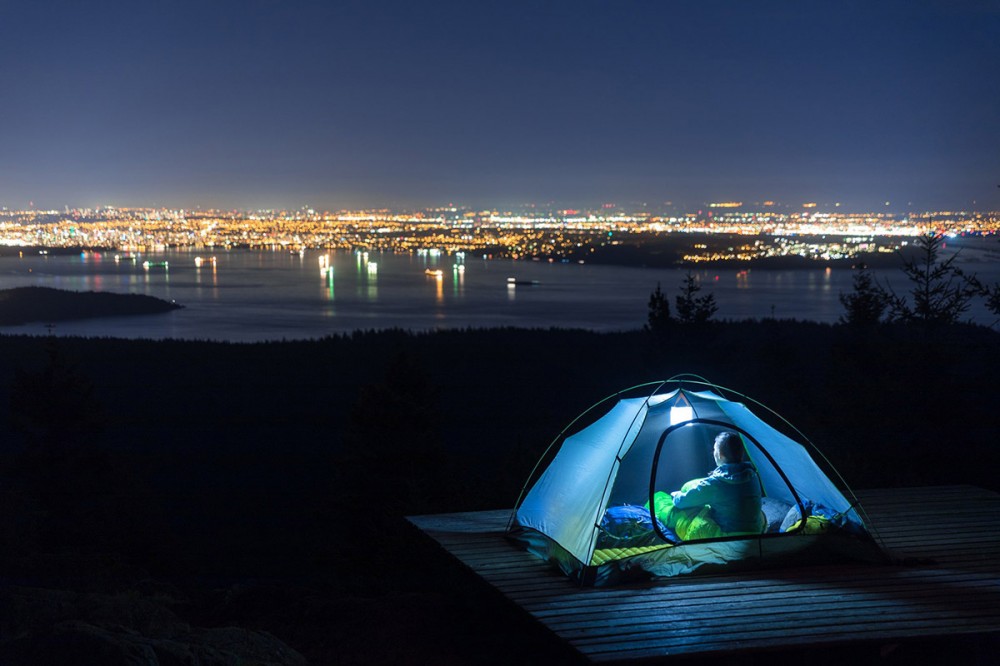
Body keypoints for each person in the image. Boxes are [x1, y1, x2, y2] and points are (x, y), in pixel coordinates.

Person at [670, 431, 765, 535]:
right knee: (693, 487)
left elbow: (682, 502)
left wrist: (676, 495)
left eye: (715, 449)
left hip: (730, 535)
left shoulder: (716, 484)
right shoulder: (752, 474)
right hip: (757, 529)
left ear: (720, 454)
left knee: (674, 511)